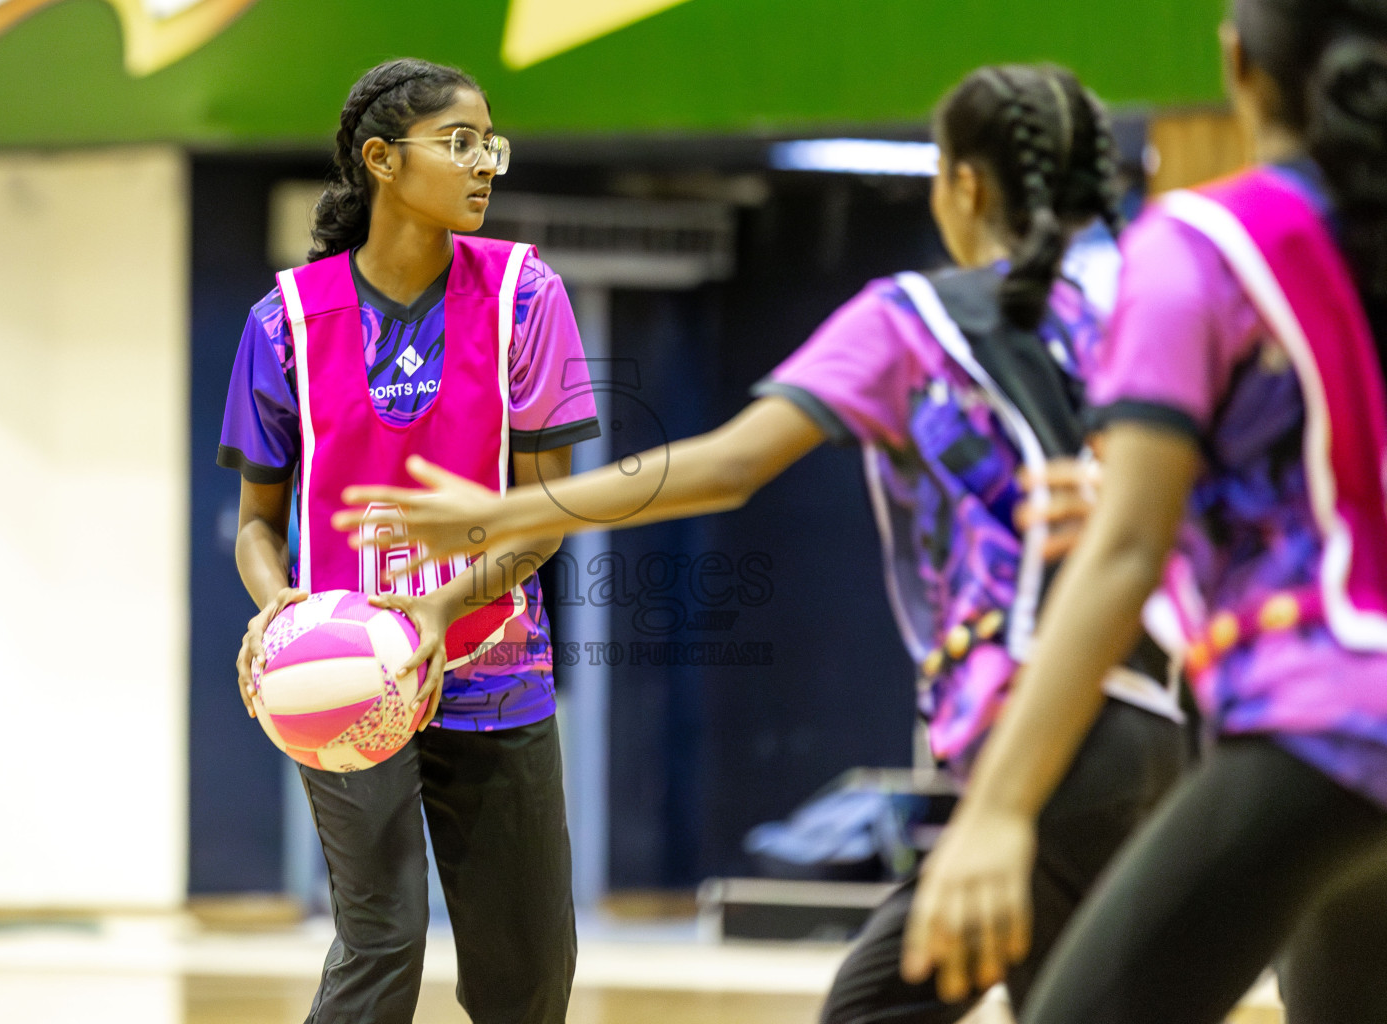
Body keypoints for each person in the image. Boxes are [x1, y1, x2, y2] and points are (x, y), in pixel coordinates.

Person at [335, 65, 1186, 1023]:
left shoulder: (912, 317)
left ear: (964, 185)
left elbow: (728, 466)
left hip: (1058, 730)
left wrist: (507, 513)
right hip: (1167, 727)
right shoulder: (1122, 315)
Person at [898, 3, 1387, 1022]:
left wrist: (996, 808)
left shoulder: (1199, 241)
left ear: (1237, 62)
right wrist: (1187, 504)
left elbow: (1123, 550)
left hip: (1314, 723)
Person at [216, 58, 600, 1024]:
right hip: (345, 676)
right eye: (459, 143)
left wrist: (438, 609)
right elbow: (259, 526)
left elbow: (547, 512)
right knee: (381, 937)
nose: (485, 165)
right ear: (382, 160)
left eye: (489, 145)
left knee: (529, 975)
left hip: (494, 668)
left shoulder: (525, 295)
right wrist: (279, 611)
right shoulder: (285, 323)